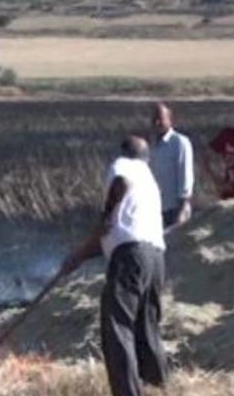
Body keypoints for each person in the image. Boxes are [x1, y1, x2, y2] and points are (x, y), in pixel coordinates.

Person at [60, 136, 167, 396]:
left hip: (130, 259)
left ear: (123, 152)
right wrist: (79, 256)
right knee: (147, 327)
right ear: (146, 158)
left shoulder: (123, 167)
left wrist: (107, 212)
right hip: (155, 258)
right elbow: (117, 235)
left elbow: (120, 186)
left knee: (117, 327)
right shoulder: (149, 181)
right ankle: (158, 387)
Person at [149, 102, 194, 228]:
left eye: (160, 119)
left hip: (174, 209)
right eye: (154, 119)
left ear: (170, 120)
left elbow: (185, 176)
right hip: (156, 209)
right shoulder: (152, 144)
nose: (157, 123)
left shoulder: (179, 142)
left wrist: (182, 209)